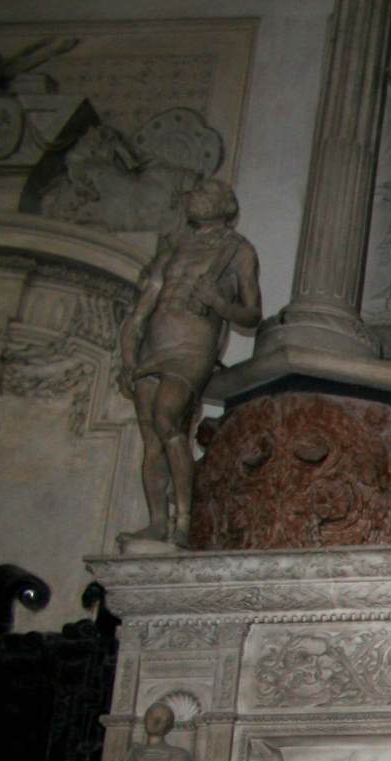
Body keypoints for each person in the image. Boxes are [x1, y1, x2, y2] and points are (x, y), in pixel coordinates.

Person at [116, 178, 261, 548]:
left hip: (192, 347)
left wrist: (217, 302)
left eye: (204, 193)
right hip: (153, 345)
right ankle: (157, 521)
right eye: (193, 193)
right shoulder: (174, 246)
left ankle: (184, 519)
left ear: (224, 204)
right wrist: (129, 357)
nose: (194, 197)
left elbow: (251, 315)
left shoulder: (237, 250)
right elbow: (141, 310)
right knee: (151, 438)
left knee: (168, 418)